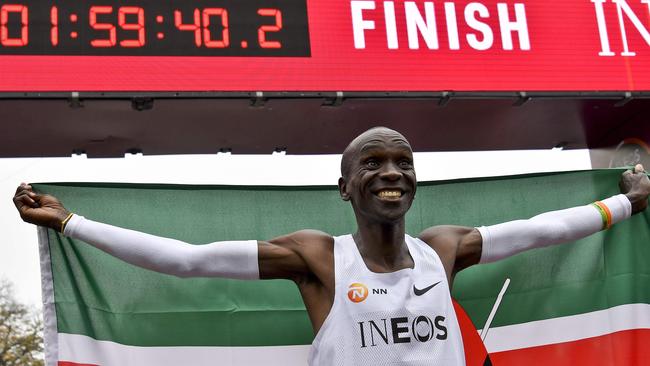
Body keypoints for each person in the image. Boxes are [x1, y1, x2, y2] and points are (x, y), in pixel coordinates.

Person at [13, 127, 650, 365]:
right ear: (345, 187)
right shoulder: (320, 258)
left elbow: (544, 230)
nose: (391, 173)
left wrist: (628, 202)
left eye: (402, 162)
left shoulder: (442, 250)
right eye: (372, 164)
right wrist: (71, 222)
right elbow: (185, 259)